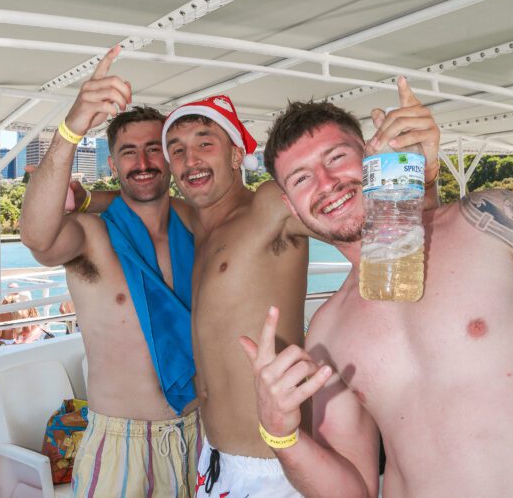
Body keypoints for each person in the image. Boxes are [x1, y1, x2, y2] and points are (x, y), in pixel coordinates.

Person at [241, 92, 513, 498]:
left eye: (337, 157)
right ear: (291, 206)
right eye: (302, 178)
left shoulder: (485, 222)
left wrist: (423, 184)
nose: (326, 184)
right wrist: (281, 436)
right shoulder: (327, 329)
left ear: (372, 154)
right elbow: (353, 491)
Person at [159, 79, 440, 497]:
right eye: (177, 150)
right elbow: (135, 198)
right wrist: (87, 200)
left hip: (276, 464)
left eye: (204, 142)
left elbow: (375, 224)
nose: (189, 158)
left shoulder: (270, 204)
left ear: (237, 154)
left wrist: (423, 178)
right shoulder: (196, 224)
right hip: (215, 457)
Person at [20, 46, 201, 497]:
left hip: (201, 434)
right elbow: (38, 238)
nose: (142, 164)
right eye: (127, 152)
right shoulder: (93, 239)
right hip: (121, 446)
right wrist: (72, 126)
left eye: (153, 150)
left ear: (171, 157)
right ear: (112, 162)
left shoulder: (199, 227)